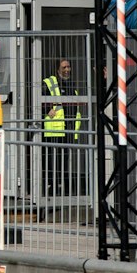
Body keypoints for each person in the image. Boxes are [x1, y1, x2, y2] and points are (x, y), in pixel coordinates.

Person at [41, 57, 85, 197]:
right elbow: (39, 101)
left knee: (64, 160)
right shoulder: (49, 83)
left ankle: (61, 187)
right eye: (64, 67)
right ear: (57, 69)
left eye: (68, 67)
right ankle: (51, 186)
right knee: (52, 161)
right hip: (53, 130)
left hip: (67, 129)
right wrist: (46, 110)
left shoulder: (71, 85)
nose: (67, 70)